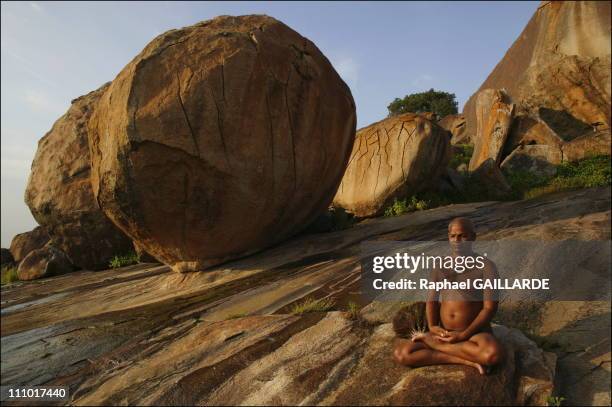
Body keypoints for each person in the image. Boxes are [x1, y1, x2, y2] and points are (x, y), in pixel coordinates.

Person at [392, 217, 504, 375]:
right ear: (448, 238)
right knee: (402, 354)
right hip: (443, 332)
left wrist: (463, 335)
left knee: (492, 354)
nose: (457, 241)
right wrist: (433, 327)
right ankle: (463, 359)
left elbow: (489, 308)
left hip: (474, 335)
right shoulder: (440, 265)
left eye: (462, 236)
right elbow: (431, 300)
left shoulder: (486, 267)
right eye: (453, 236)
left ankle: (438, 347)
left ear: (473, 237)